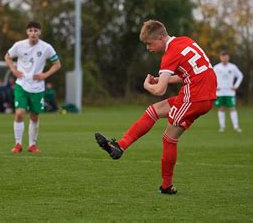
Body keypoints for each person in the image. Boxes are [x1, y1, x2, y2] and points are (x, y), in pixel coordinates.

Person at [95, 20, 217, 194]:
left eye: (149, 43)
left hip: (195, 97)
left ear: (160, 38)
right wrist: (162, 79)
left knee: (169, 138)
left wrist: (148, 86)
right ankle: (120, 146)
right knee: (155, 110)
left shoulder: (170, 54)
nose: (148, 47)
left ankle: (166, 185)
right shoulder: (185, 41)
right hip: (200, 93)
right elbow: (190, 74)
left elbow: (160, 91)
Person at [4, 21, 61, 154]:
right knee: (19, 113)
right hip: (21, 84)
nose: (33, 33)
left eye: (36, 30)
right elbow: (7, 56)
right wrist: (13, 69)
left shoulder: (46, 47)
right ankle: (18, 144)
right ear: (27, 32)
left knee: (34, 116)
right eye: (30, 30)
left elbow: (57, 64)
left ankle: (32, 145)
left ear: (40, 32)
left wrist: (45, 75)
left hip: (37, 88)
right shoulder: (19, 45)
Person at [213, 51, 243, 132]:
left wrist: (236, 86)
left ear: (228, 57)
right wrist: (215, 87)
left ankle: (236, 127)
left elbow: (240, 76)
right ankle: (222, 127)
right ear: (220, 57)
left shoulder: (233, 67)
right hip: (219, 92)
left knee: (232, 108)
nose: (224, 58)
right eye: (223, 56)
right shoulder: (216, 67)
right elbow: (211, 77)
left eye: (226, 56)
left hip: (230, 92)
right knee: (221, 108)